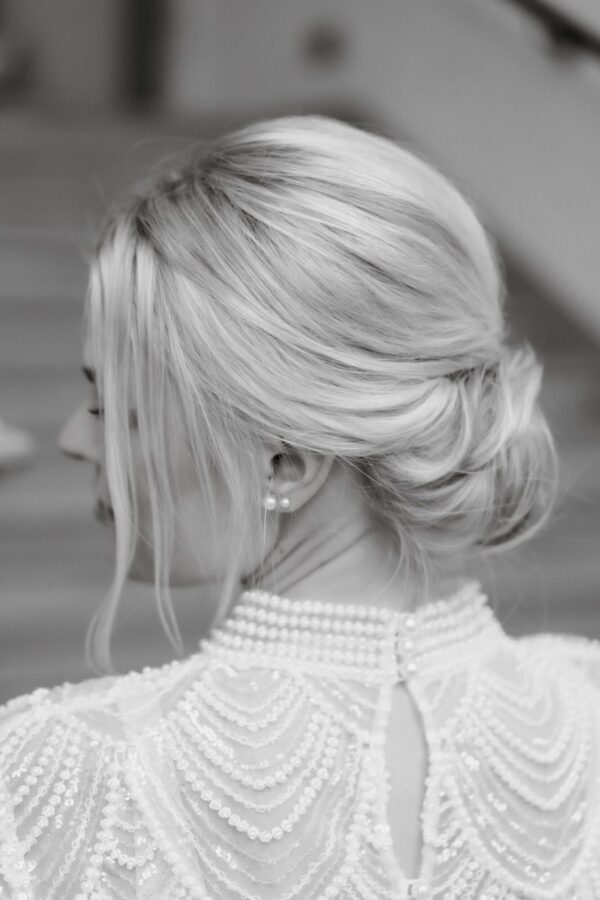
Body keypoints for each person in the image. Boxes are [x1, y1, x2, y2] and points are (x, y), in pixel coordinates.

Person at [0, 114, 598, 900]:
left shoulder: (65, 769)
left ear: (285, 465)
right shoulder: (589, 698)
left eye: (114, 408)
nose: (74, 439)